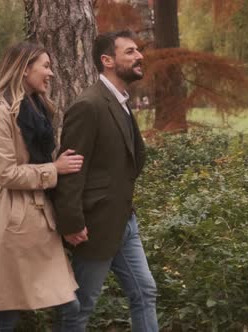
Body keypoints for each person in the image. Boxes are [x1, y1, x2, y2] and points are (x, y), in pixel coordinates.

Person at [53, 30, 157, 331]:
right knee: (79, 306)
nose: (139, 56)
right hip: (94, 226)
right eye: (130, 52)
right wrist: (72, 222)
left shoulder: (120, 101)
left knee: (144, 291)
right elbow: (72, 168)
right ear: (107, 60)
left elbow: (129, 159)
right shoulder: (89, 106)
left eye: (138, 50)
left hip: (124, 221)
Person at [0, 41, 84, 331]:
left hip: (40, 219)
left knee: (70, 305)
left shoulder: (37, 108)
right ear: (25, 69)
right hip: (13, 221)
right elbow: (4, 174)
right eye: (45, 66)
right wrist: (54, 169)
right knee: (7, 312)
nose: (51, 73)